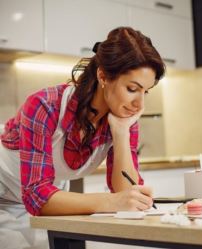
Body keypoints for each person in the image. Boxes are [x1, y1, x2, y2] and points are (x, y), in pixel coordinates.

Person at [0, 26, 165, 248]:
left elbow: (127, 195)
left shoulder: (123, 117)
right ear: (103, 76)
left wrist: (121, 132)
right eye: (132, 88)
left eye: (145, 91)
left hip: (40, 203)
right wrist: (111, 201)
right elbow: (36, 194)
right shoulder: (44, 105)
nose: (140, 104)